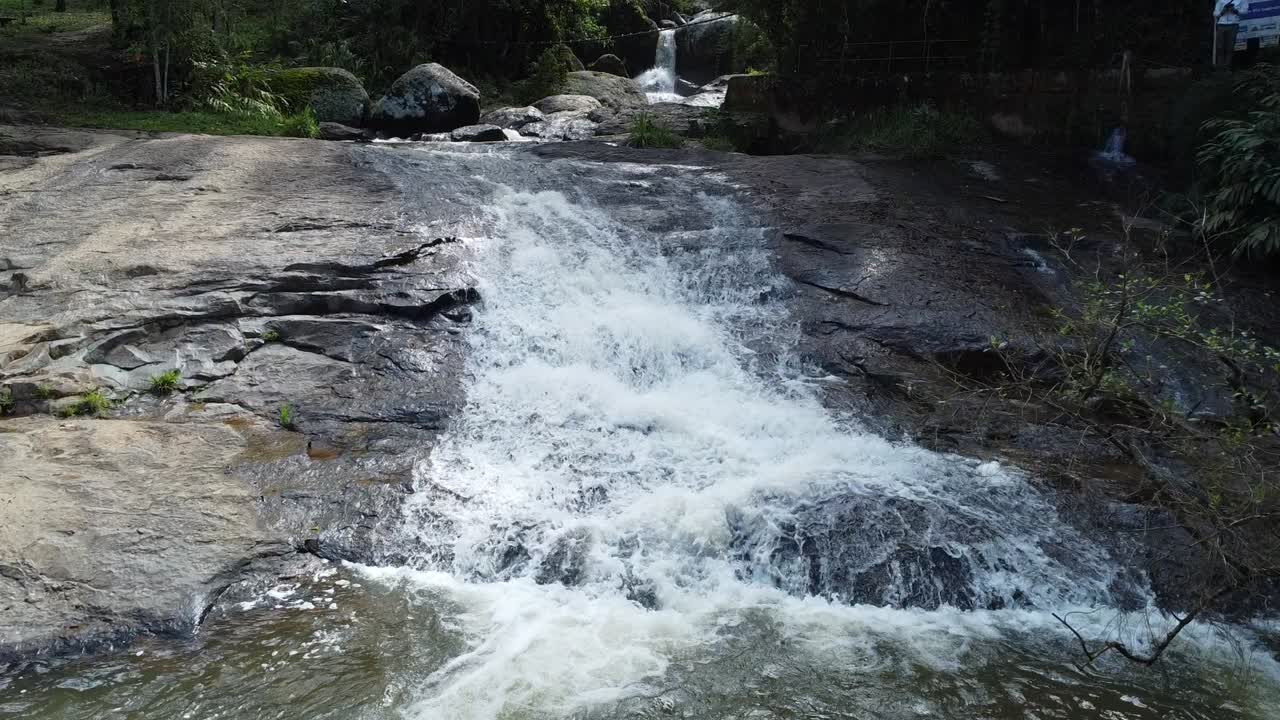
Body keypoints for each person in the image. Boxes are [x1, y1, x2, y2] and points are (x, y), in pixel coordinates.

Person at [1215, 0, 1249, 67]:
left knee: (1230, 47)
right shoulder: (1220, 0)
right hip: (1221, 25)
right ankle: (1220, 66)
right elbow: (1215, 13)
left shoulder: (1243, 0)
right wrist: (1223, 11)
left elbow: (1245, 11)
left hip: (1233, 25)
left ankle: (1227, 66)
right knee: (1220, 46)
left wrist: (1235, 10)